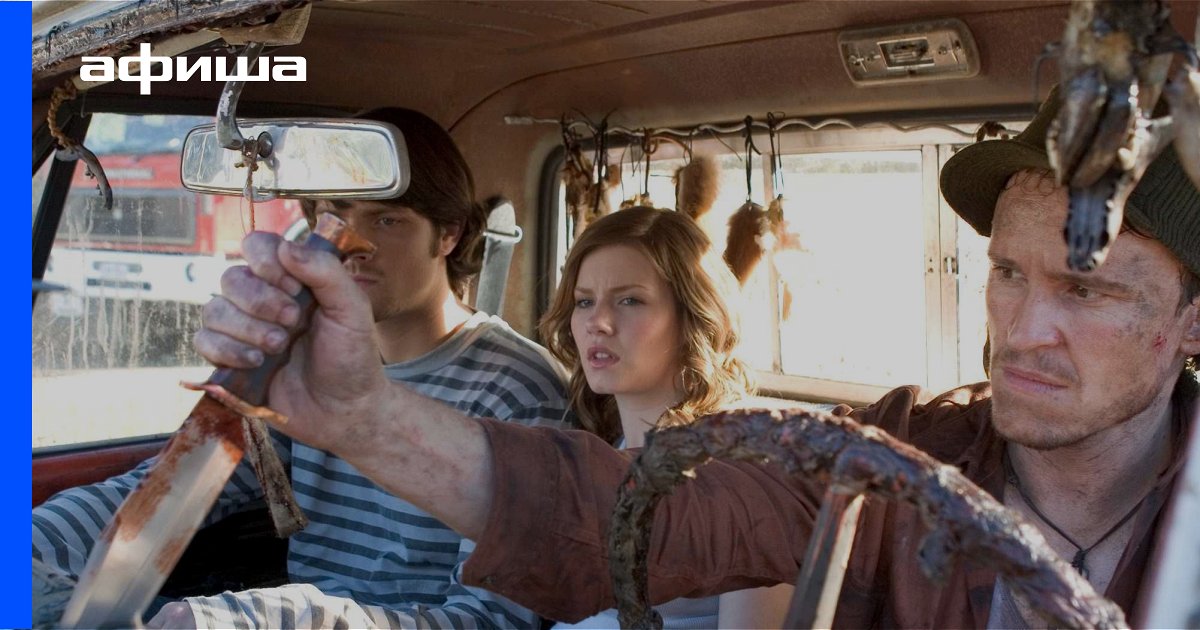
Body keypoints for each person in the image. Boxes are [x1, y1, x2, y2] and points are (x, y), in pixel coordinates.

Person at [193, 90, 1199, 627]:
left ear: (1192, 324)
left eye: (1088, 290)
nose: (1024, 327)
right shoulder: (891, 464)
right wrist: (359, 414)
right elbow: (630, 515)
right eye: (1009, 274)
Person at [33, 107, 571, 630]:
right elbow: (179, 484)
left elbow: (492, 620)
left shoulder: (517, 391)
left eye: (386, 219)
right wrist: (30, 542)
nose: (353, 245)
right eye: (334, 215)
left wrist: (272, 621)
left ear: (448, 234)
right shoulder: (310, 359)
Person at [534, 205, 794, 628]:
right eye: (584, 302)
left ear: (692, 314)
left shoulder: (746, 465)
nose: (597, 322)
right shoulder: (604, 445)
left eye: (630, 300)